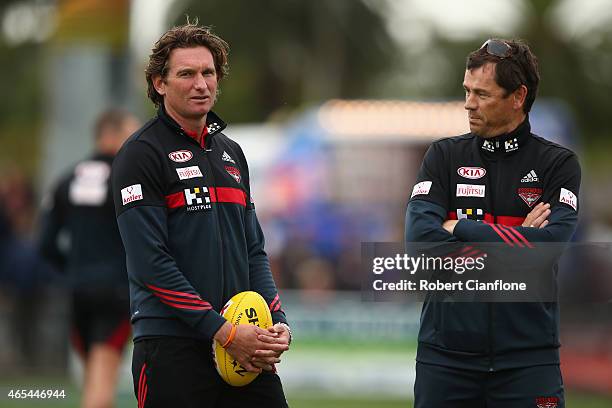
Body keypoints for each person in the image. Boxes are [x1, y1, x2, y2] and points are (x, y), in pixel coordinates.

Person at [110, 22, 291, 408]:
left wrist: (278, 322)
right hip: (171, 347)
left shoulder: (232, 153)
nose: (201, 84)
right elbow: (150, 263)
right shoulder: (140, 155)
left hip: (241, 346)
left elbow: (254, 250)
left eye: (208, 73)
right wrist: (223, 332)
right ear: (160, 83)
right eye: (186, 74)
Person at [405, 38, 580, 408]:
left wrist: (459, 227)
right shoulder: (442, 156)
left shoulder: (558, 165)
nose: (469, 103)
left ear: (518, 96)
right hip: (445, 359)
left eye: (482, 94)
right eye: (467, 91)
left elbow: (544, 254)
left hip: (529, 362)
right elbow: (421, 244)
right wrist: (521, 239)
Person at [39, 109, 140, 408]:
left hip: (77, 290)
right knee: (100, 389)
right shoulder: (128, 179)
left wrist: (73, 269)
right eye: (130, 134)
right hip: (117, 291)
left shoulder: (65, 179)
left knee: (93, 383)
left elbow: (45, 244)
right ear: (110, 135)